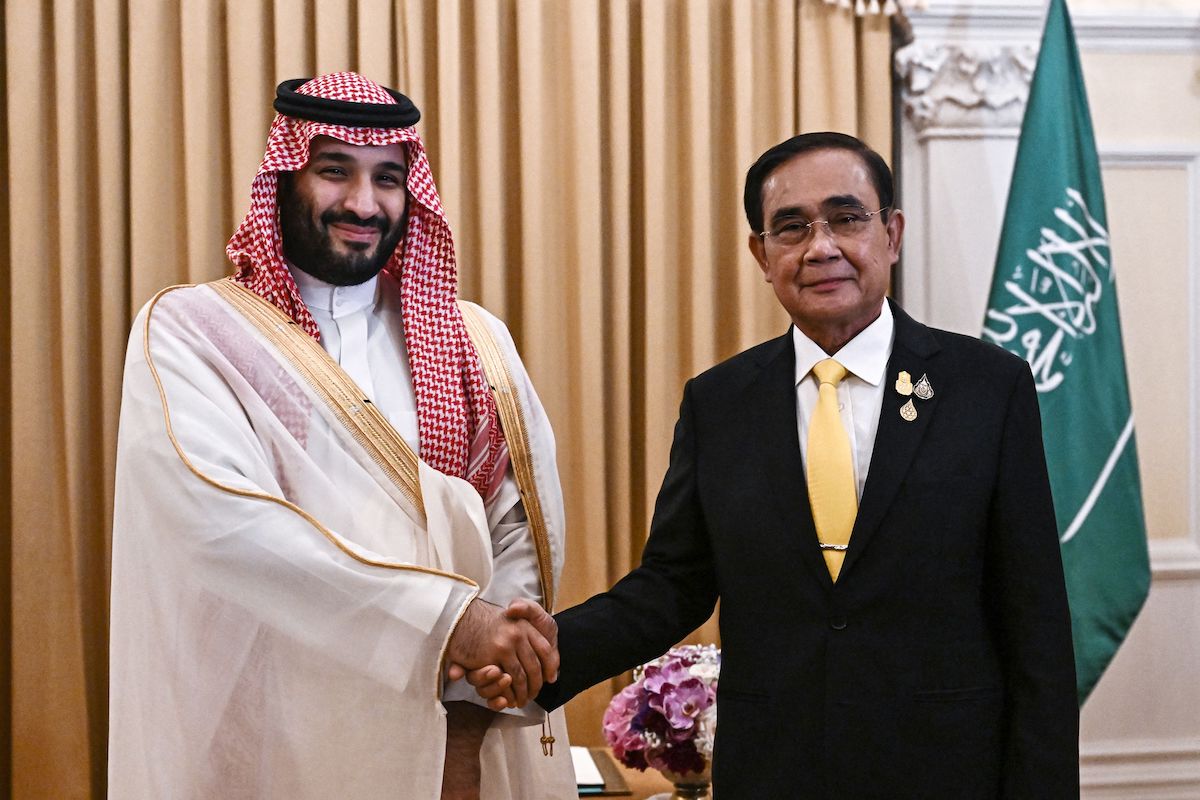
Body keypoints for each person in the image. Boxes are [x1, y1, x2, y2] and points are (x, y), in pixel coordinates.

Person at [474, 132, 1079, 798]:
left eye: (847, 219)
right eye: (792, 229)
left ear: (892, 234)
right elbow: (673, 584)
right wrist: (548, 650)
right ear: (763, 255)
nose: (821, 247)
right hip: (775, 771)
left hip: (946, 770)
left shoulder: (987, 389)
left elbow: (1036, 624)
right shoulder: (720, 403)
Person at [108, 72, 572, 799]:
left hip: (453, 735)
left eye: (389, 178)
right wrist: (447, 623)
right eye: (334, 171)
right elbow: (223, 528)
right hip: (275, 733)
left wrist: (472, 711)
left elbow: (516, 532)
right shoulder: (197, 335)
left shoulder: (475, 342)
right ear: (285, 177)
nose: (363, 203)